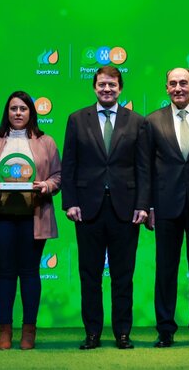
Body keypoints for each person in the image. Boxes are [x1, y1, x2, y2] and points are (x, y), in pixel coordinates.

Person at [61, 66, 148, 350]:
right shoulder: (76, 119)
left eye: (112, 85)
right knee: (90, 275)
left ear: (120, 88)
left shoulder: (137, 121)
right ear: (94, 87)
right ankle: (93, 334)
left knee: (123, 276)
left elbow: (143, 168)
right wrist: (70, 202)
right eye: (102, 85)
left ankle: (123, 332)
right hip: (87, 209)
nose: (107, 89)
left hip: (126, 209)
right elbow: (69, 165)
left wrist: (142, 205)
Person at [139, 67, 189, 348]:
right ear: (166, 88)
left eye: (183, 83)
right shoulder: (151, 121)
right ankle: (165, 329)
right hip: (165, 206)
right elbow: (146, 168)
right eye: (173, 84)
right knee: (165, 270)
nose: (178, 88)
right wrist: (148, 206)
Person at [0, 91, 61, 350]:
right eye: (14, 109)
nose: (18, 113)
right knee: (6, 273)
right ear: (7, 112)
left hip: (34, 216)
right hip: (1, 218)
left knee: (30, 273)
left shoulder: (47, 142)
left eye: (23, 108)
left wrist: (46, 185)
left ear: (31, 112)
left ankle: (29, 331)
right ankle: (5, 331)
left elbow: (58, 175)